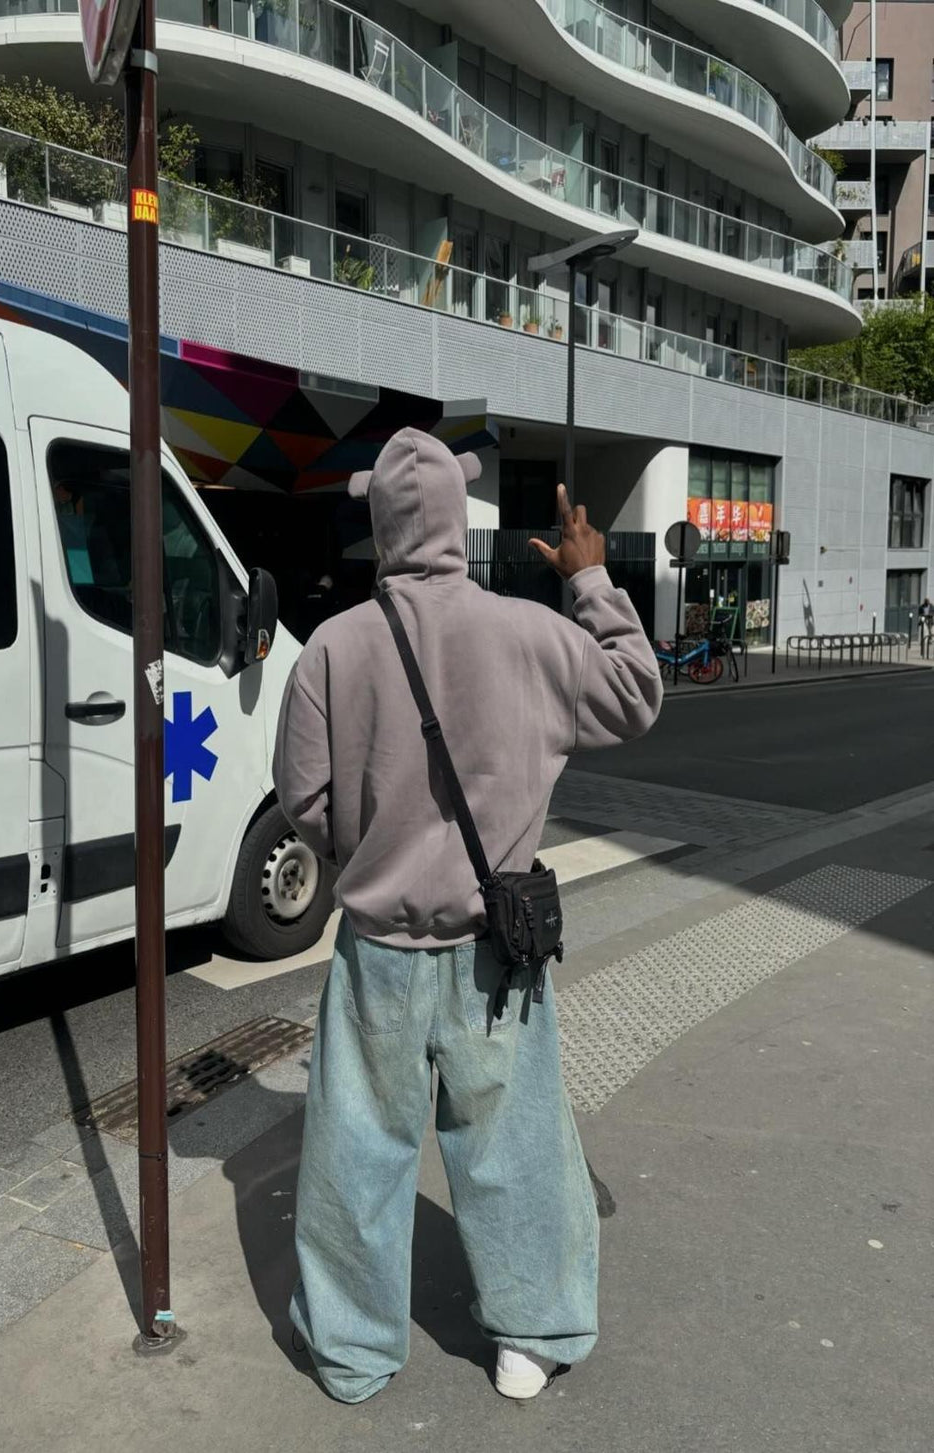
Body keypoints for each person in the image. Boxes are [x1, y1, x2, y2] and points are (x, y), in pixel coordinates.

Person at [272, 428, 662, 1405]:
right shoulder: (527, 637)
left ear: (379, 524)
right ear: (456, 513)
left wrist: (371, 841)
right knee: (514, 1149)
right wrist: (590, 581)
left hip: (377, 954)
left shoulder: (330, 649)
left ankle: (354, 1352)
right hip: (498, 949)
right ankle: (530, 1337)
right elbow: (637, 695)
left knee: (356, 1154)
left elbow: (302, 802)